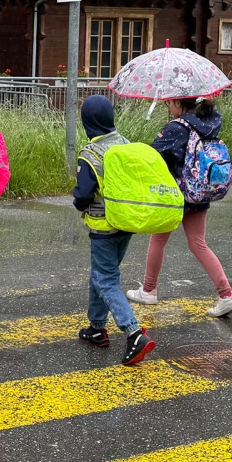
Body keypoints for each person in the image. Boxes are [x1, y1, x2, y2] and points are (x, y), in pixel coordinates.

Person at [127, 97, 232, 317]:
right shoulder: (210, 124)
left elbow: (152, 155)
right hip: (199, 192)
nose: (169, 106)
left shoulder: (176, 128)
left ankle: (149, 290)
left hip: (175, 194)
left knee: (157, 240)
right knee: (199, 243)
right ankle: (227, 295)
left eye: (170, 103)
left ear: (178, 104)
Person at [72, 94, 156, 366]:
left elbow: (83, 195)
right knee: (102, 274)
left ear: (88, 122)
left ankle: (133, 332)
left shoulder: (90, 154)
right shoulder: (126, 144)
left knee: (106, 280)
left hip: (103, 227)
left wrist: (78, 200)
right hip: (126, 222)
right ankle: (97, 327)